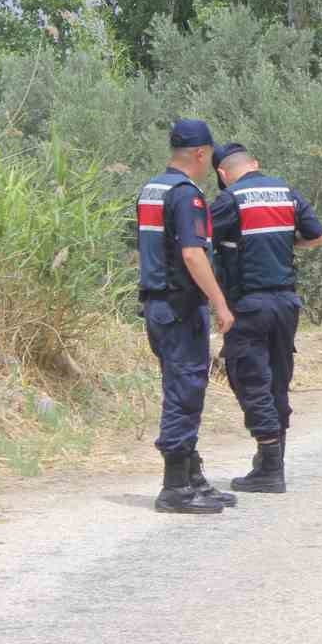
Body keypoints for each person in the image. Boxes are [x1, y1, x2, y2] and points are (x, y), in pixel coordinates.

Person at [210, 143, 322, 494]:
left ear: (222, 173)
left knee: (249, 380)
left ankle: (270, 465)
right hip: (286, 304)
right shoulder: (286, 192)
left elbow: (199, 242)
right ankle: (271, 461)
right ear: (256, 164)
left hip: (250, 305)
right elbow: (319, 237)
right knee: (277, 381)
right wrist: (284, 244)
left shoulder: (230, 199)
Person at [135, 118, 235, 515]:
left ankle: (192, 475)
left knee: (183, 386)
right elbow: (193, 254)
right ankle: (174, 486)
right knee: (185, 391)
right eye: (209, 155)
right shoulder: (185, 195)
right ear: (200, 153)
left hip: (158, 304)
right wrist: (221, 304)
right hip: (179, 307)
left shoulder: (151, 189)